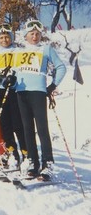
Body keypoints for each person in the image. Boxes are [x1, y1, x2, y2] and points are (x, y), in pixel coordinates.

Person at [15, 19, 66, 180]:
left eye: (37, 33)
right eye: (32, 33)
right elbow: (14, 72)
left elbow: (61, 67)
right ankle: (33, 162)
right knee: (27, 129)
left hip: (38, 92)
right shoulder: (18, 52)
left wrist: (52, 86)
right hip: (21, 92)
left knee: (42, 128)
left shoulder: (46, 49)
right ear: (26, 36)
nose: (35, 36)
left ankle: (47, 163)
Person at [0, 23, 27, 166]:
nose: (4, 40)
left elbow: (21, 67)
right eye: (2, 37)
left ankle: (25, 151)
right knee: (4, 122)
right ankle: (12, 151)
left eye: (7, 37)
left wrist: (14, 76)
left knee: (17, 122)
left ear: (11, 38)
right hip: (1, 89)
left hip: (14, 89)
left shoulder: (17, 51)